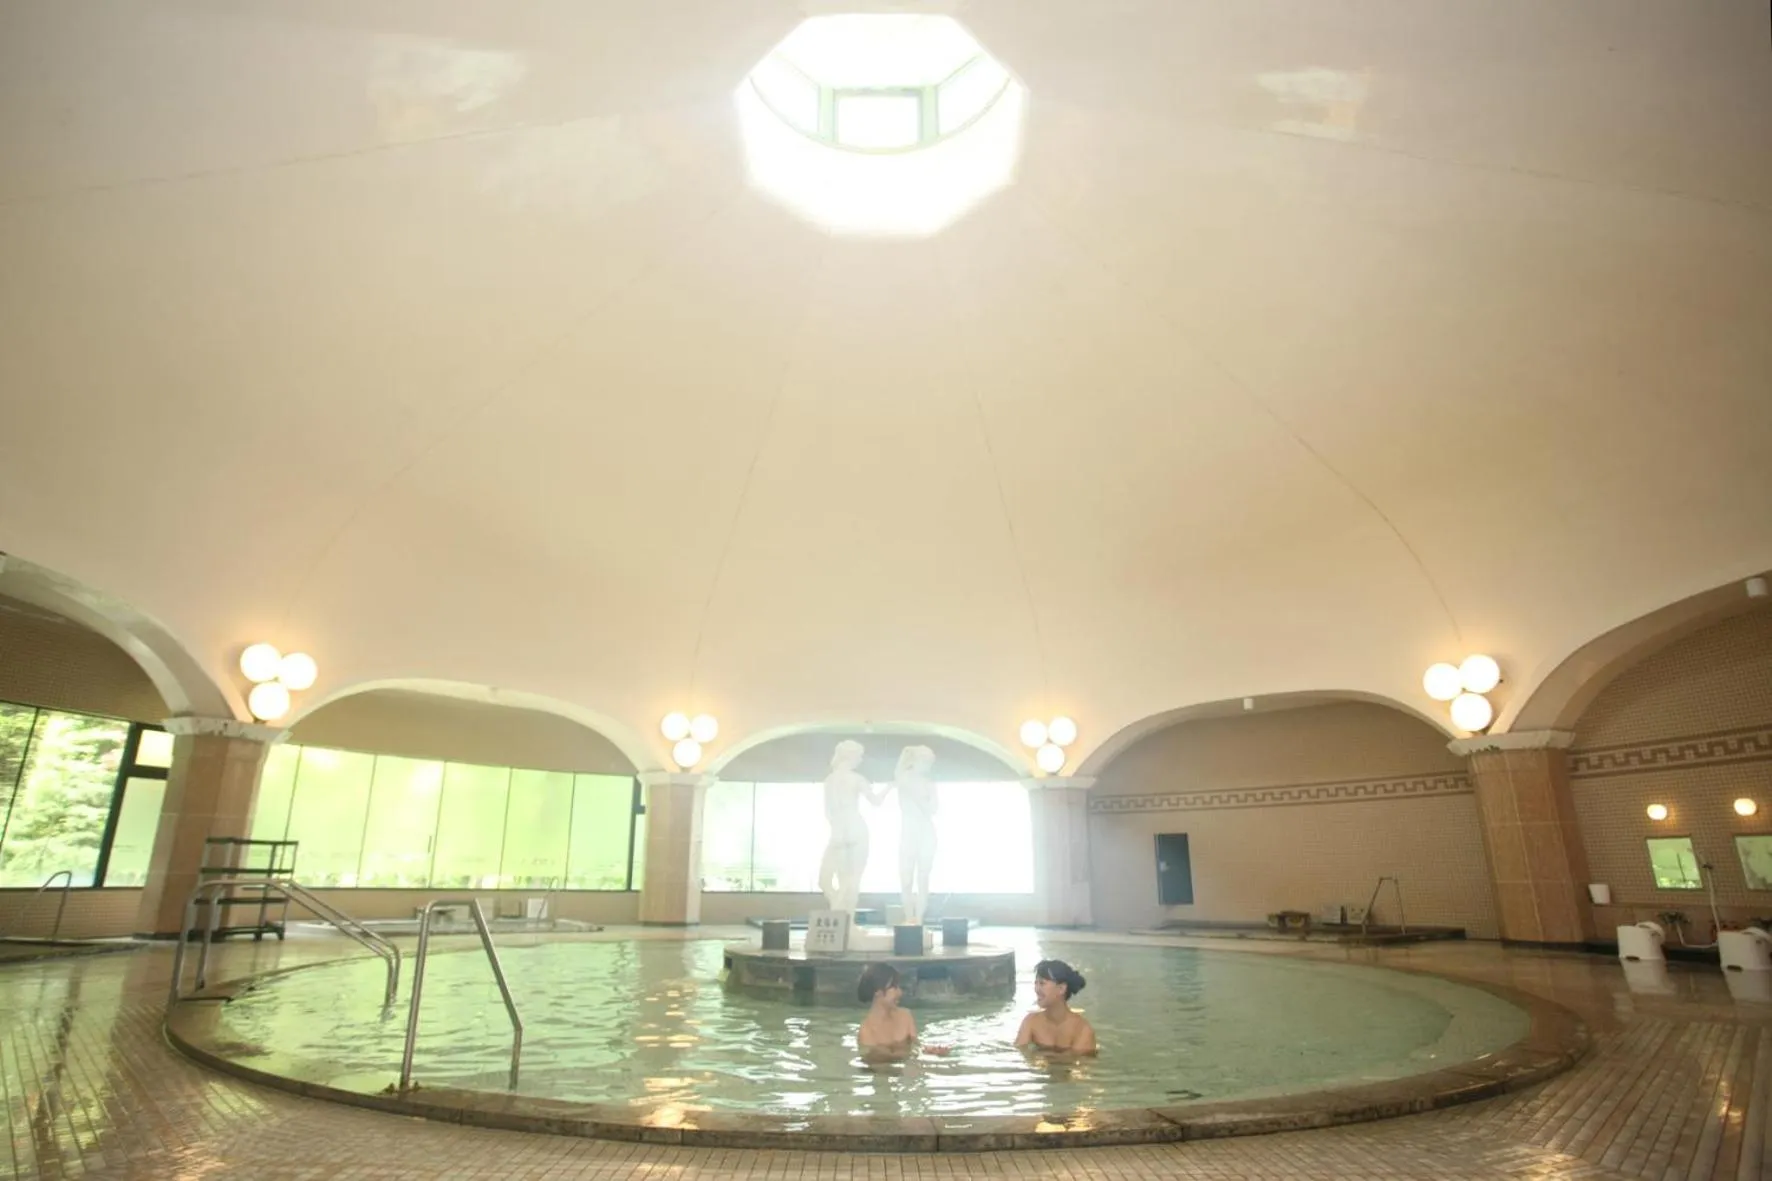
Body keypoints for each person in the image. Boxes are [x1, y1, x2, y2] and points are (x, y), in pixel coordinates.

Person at [856, 962, 949, 1058]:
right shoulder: (866, 1032)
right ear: (878, 993)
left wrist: (930, 1050)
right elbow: (879, 1063)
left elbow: (916, 1046)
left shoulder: (905, 1016)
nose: (899, 992)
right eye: (894, 987)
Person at [1014, 959, 1098, 1055]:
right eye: (1035, 983)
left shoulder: (1082, 1030)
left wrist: (1038, 1055)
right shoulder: (1031, 1021)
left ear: (1061, 988)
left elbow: (1079, 1064)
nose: (1036, 989)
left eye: (1042, 983)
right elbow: (1018, 1053)